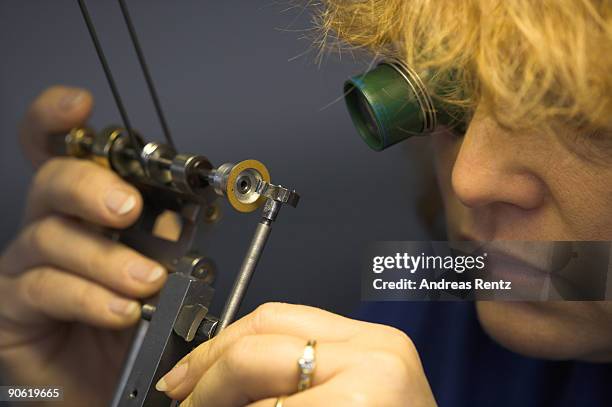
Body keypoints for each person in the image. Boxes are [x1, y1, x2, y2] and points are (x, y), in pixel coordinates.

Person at [1, 0, 611, 406]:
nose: (471, 181)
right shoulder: (445, 305)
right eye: (454, 108)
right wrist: (97, 392)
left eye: (579, 117)